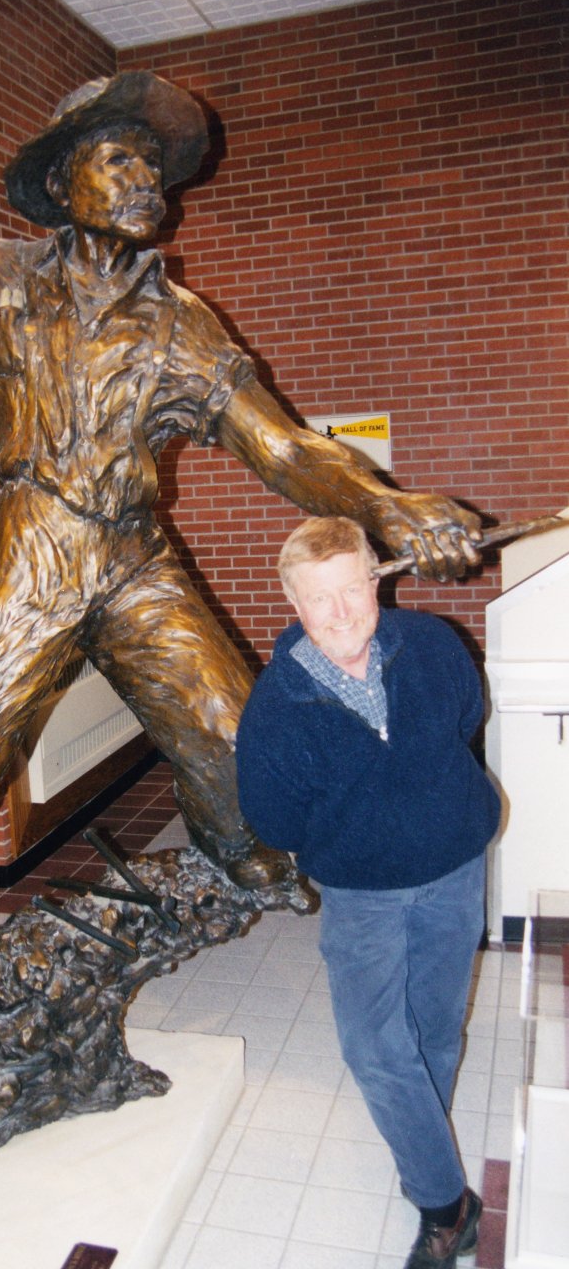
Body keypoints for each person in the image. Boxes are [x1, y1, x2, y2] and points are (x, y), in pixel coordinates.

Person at [0, 72, 484, 1047]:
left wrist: (384, 505)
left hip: (133, 552)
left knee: (233, 728)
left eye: (153, 168)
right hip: (38, 543)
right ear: (62, 181)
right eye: (119, 158)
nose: (144, 181)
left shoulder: (181, 324)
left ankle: (240, 847)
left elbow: (284, 448)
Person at [236, 516, 500, 1269]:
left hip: (455, 867)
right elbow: (274, 819)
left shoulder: (434, 645)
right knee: (376, 1047)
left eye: (352, 588)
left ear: (377, 579)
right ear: (294, 603)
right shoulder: (276, 708)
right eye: (319, 598)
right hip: (362, 895)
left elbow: (467, 717)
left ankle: (421, 1147)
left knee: (437, 1028)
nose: (341, 611)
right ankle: (446, 1205)